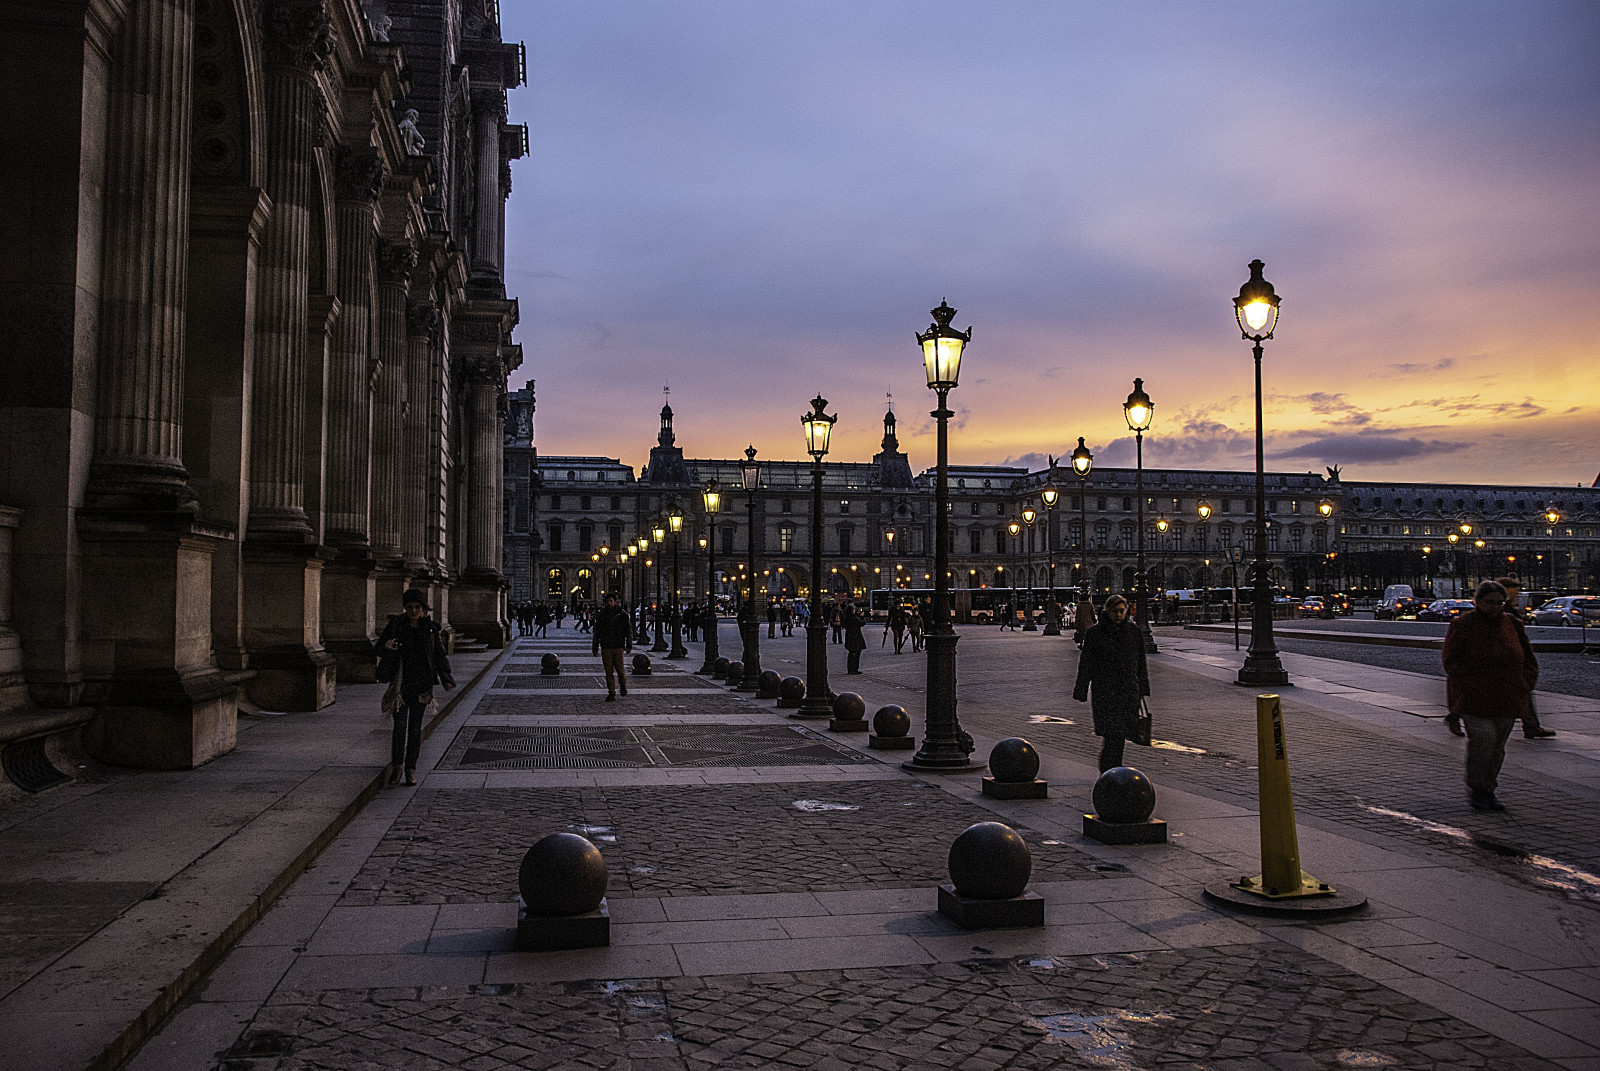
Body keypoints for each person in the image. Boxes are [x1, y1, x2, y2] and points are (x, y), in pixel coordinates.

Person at [1443, 580, 1539, 812]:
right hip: (1474, 697)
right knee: (1483, 740)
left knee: (1497, 747)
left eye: (1499, 603)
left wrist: (1524, 684)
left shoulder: (1513, 624)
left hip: (1507, 695)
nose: (1495, 607)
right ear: (1478, 602)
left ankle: (1488, 789)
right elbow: (1451, 660)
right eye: (1490, 602)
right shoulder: (1463, 625)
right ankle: (1478, 787)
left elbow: (1528, 658)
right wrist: (1464, 685)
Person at [376, 589, 455, 786]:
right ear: (405, 607)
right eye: (410, 607)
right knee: (399, 727)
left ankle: (411, 769)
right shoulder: (396, 625)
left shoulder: (430, 629)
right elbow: (379, 648)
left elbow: (438, 655)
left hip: (422, 684)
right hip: (401, 683)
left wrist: (446, 678)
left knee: (414, 730)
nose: (413, 611)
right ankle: (397, 766)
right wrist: (387, 646)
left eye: (417, 607)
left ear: (423, 609)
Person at [1072, 595, 1150, 773]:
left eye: (1122, 611)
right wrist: (1081, 689)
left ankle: (1113, 772)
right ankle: (1110, 772)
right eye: (1115, 611)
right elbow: (1086, 664)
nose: (1119, 615)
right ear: (1107, 611)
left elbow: (1140, 662)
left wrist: (1143, 688)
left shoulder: (1133, 632)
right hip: (1105, 693)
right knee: (1112, 736)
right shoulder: (1095, 633)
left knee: (1119, 737)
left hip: (1128, 692)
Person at [592, 592, 633, 701]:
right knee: (608, 670)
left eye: (611, 601)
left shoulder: (623, 615)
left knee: (620, 669)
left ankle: (622, 684)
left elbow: (628, 631)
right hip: (606, 646)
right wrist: (595, 647)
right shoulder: (601, 615)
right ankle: (611, 692)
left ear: (615, 602)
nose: (609, 603)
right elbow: (597, 632)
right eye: (607, 601)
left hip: (618, 645)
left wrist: (629, 645)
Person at [842, 599, 867, 674]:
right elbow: (862, 623)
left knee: (851, 653)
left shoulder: (846, 618)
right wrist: (862, 616)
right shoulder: (854, 619)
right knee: (856, 653)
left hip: (849, 636)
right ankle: (854, 668)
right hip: (856, 637)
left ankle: (850, 669)